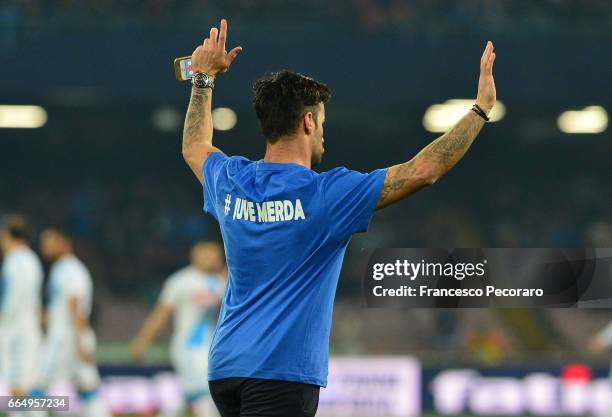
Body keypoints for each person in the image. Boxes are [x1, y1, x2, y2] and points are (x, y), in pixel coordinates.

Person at [181, 18, 496, 417]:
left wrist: (202, 78)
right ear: (308, 121)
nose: (324, 134)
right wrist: (480, 110)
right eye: (323, 123)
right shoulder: (327, 195)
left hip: (226, 368)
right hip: (280, 373)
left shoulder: (232, 180)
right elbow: (422, 171)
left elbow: (195, 147)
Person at [130, 241, 226, 417]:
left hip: (214, 348)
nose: (210, 258)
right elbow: (161, 314)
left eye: (214, 254)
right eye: (205, 254)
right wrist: (142, 341)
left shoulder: (224, 281)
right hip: (189, 347)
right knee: (206, 394)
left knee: (191, 395)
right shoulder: (181, 281)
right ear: (194, 256)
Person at [39, 228, 111, 417]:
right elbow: (61, 307)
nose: (44, 245)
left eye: (50, 241)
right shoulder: (61, 269)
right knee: (88, 387)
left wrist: (80, 340)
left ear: (65, 243)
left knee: (44, 387)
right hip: (73, 335)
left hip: (67, 338)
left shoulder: (70, 269)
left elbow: (75, 304)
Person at [0, 215, 45, 417]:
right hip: (28, 330)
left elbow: (12, 301)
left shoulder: (15, 261)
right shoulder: (32, 260)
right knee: (24, 390)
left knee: (19, 389)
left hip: (17, 332)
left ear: (7, 235)